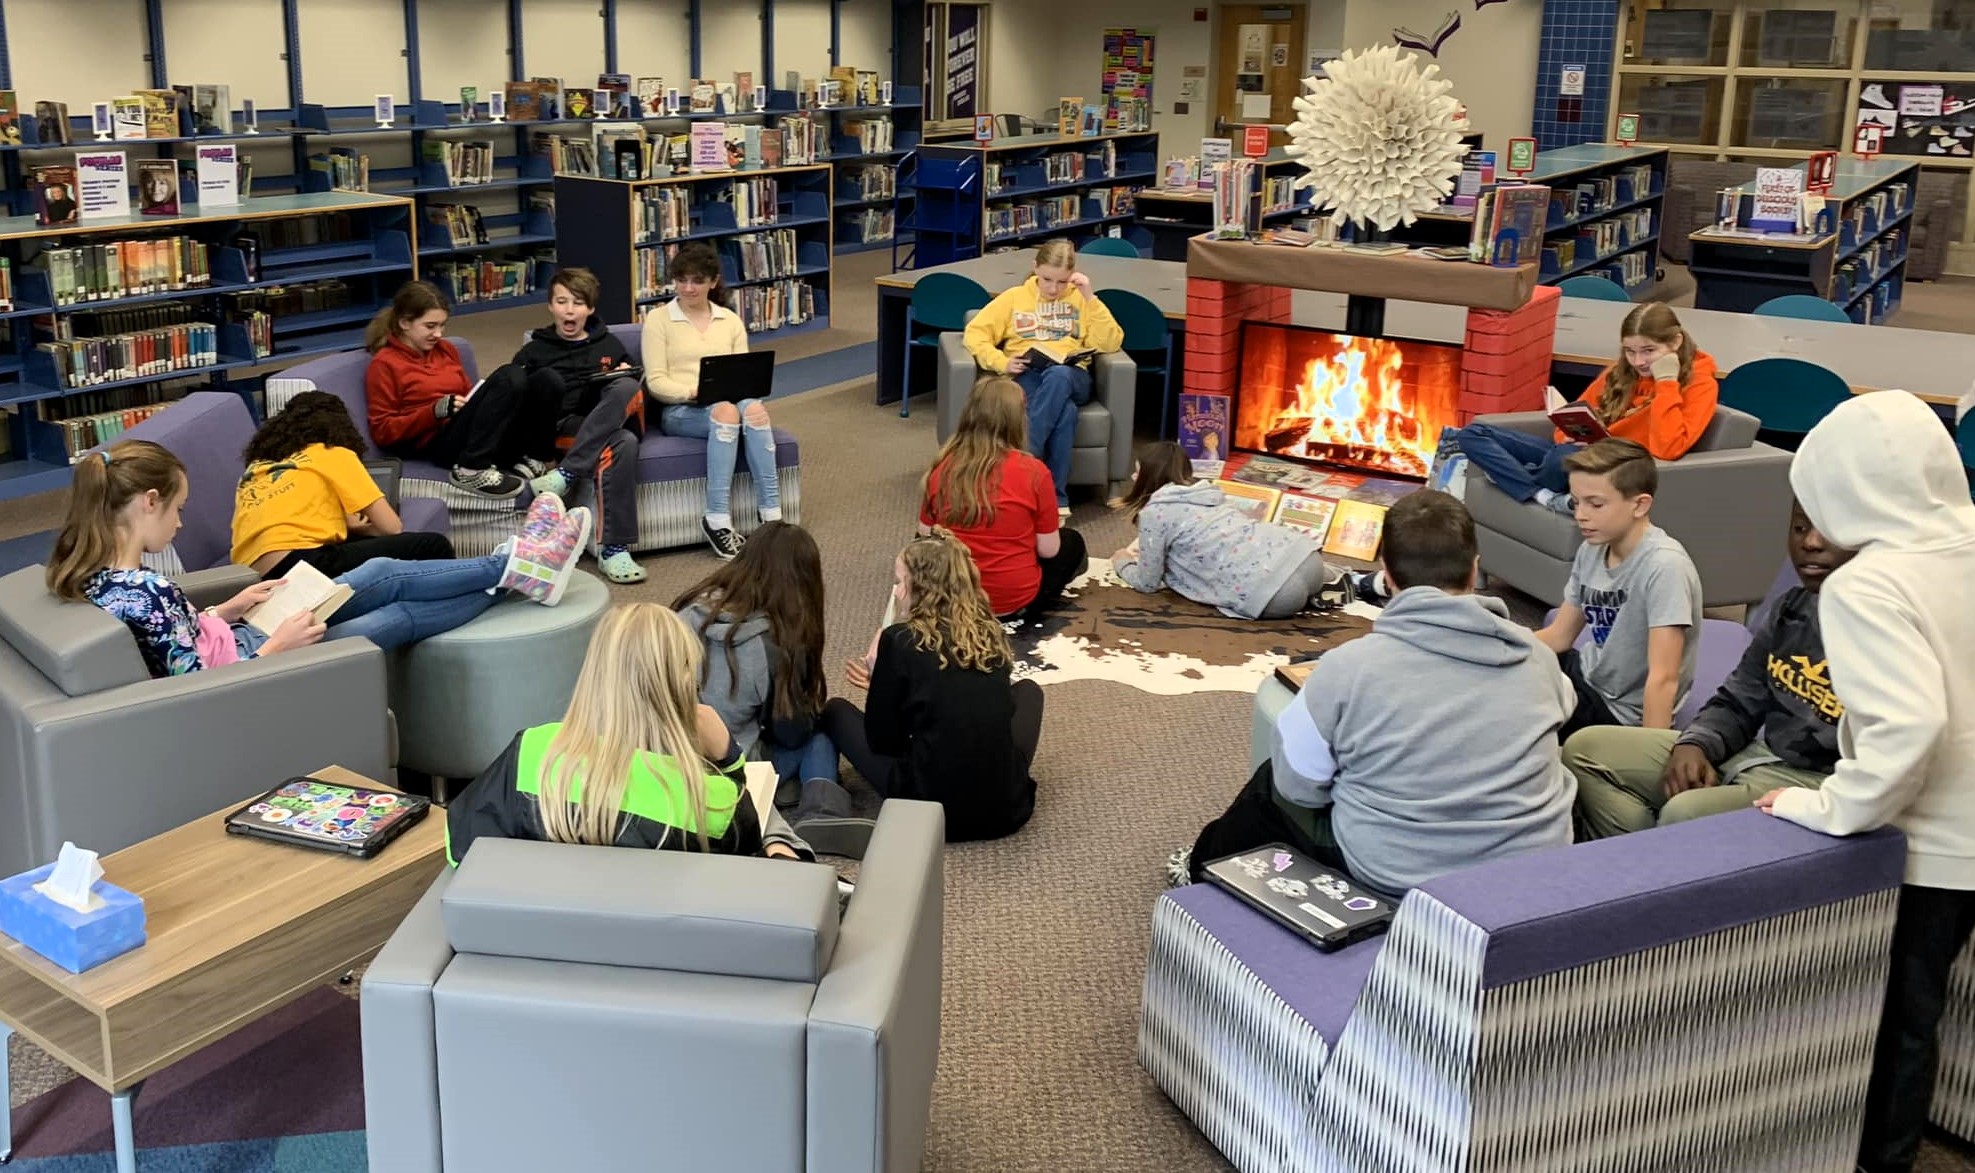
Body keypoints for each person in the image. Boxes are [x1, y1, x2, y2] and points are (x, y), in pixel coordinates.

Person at [1751, 392, 1975, 1173]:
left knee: (1890, 1025)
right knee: (1923, 1013)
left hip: (1929, 844)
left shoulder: (1866, 583)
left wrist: (1830, 807)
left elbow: (1907, 725)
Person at [1181, 491, 1574, 895]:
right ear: (1475, 569)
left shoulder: (1347, 668)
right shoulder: (1538, 656)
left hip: (1399, 874)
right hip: (1530, 870)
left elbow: (1300, 788)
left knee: (1270, 782)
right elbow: (1563, 707)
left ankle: (1200, 866)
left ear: (1386, 575)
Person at [46, 441, 591, 678]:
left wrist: (226, 610)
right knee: (393, 615)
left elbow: (170, 647)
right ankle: (522, 567)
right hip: (261, 663)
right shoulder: (149, 589)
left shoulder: (96, 576)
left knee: (378, 572)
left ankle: (518, 566)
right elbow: (190, 689)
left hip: (246, 638)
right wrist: (273, 650)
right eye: (179, 509)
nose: (181, 523)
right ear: (148, 503)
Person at [445, 602, 814, 865]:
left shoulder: (530, 751)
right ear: (681, 684)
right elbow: (747, 859)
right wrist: (730, 762)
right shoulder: (711, 801)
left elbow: (460, 847)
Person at [1567, 500, 1851, 838]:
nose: (1810, 543)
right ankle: (1640, 862)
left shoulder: (1888, 632)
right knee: (1585, 750)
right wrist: (1697, 744)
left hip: (1818, 785)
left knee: (1684, 812)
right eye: (1800, 528)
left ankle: (1653, 867)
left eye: (1828, 531)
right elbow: (1739, 699)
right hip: (1758, 754)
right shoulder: (1792, 606)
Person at [825, 531, 1043, 844]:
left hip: (928, 812)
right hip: (1004, 811)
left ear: (923, 587)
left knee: (835, 711)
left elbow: (885, 741)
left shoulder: (899, 641)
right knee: (1028, 691)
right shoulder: (989, 632)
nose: (897, 593)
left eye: (900, 582)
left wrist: (880, 692)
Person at [673, 521, 869, 853]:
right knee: (817, 736)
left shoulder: (685, 611)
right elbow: (790, 732)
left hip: (671, 758)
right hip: (734, 764)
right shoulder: (776, 644)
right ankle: (823, 812)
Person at [1450, 302, 1719, 514]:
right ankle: (1542, 495)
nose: (1639, 361)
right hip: (1583, 452)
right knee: (1473, 433)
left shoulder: (1700, 384)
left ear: (1675, 342)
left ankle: (1517, 476)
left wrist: (1666, 383)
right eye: (1630, 351)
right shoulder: (1621, 371)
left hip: (1618, 468)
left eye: (1649, 351)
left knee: (1559, 459)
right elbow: (1574, 416)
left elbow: (1667, 448)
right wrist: (1568, 434)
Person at [1533, 438, 1702, 740]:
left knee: (1513, 715)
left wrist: (1648, 756)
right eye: (1576, 502)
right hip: (1586, 674)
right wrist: (1495, 644)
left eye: (1595, 504)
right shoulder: (1592, 549)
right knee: (1496, 676)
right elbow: (1559, 636)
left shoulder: (1665, 567)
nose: (1580, 515)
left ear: (1639, 504)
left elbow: (1663, 678)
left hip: (1619, 712)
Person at [642, 242, 784, 561]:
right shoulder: (658, 320)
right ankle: (717, 518)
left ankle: (772, 517)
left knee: (755, 409)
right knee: (726, 411)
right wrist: (693, 391)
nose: (688, 288)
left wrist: (743, 398)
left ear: (713, 282)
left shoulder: (729, 321)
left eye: (696, 280)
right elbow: (657, 383)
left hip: (727, 402)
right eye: (681, 280)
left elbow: (745, 377)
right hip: (679, 410)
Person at [961, 239, 1125, 515]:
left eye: (1062, 282)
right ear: (1034, 268)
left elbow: (1110, 342)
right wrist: (1002, 362)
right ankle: (1056, 499)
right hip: (1029, 374)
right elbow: (975, 334)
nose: (1053, 288)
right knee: (1066, 413)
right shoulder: (1014, 297)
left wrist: (1090, 297)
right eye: (1047, 279)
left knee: (1059, 375)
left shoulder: (1081, 300)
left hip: (1073, 375)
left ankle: (1022, 460)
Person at [510, 267, 649, 584]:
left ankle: (567, 476)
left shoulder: (609, 344)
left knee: (628, 390)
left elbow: (631, 393)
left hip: (600, 419)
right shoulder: (534, 350)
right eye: (562, 302)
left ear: (590, 309)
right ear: (550, 306)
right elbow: (515, 396)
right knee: (623, 442)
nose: (569, 310)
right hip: (561, 431)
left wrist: (624, 372)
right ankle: (613, 549)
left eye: (578, 303)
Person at [364, 281, 558, 499]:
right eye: (430, 326)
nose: (438, 334)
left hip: (468, 432)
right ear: (405, 323)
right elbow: (383, 432)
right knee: (509, 376)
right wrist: (433, 412)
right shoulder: (384, 365)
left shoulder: (446, 350)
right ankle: (471, 470)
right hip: (436, 443)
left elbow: (469, 394)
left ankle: (535, 459)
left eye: (442, 325)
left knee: (547, 379)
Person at [232, 390, 456, 579]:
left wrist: (346, 526)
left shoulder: (257, 468)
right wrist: (365, 528)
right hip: (302, 563)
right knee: (432, 545)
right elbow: (391, 527)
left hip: (250, 575)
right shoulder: (332, 452)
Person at [920, 376, 1087, 621]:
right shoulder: (1035, 472)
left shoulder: (941, 468)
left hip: (952, 600)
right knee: (1071, 543)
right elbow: (1049, 550)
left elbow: (924, 534)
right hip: (1012, 603)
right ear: (1019, 420)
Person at [1112, 441, 1340, 619]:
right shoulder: (1209, 492)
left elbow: (1148, 582)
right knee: (1250, 546)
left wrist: (1122, 561)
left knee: (1270, 582)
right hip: (1305, 556)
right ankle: (1349, 581)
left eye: (1137, 472)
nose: (1133, 478)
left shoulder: (1154, 512)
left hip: (1273, 595)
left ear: (1148, 478)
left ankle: (1312, 591)